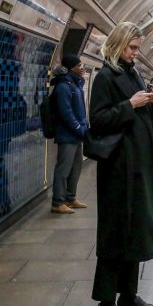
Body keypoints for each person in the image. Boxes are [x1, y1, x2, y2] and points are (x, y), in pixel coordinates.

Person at [89, 22, 153, 306]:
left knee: (134, 231)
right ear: (118, 44)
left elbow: (142, 113)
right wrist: (130, 105)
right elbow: (97, 120)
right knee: (115, 232)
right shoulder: (105, 77)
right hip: (119, 168)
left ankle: (128, 295)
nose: (136, 53)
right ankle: (107, 299)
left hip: (139, 166)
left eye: (138, 48)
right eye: (132, 48)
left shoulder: (133, 73)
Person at [50, 54, 88, 214]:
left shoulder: (75, 85)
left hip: (77, 134)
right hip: (67, 135)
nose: (82, 68)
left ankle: (70, 198)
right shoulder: (63, 86)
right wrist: (79, 127)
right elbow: (65, 112)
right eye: (79, 66)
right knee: (63, 169)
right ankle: (58, 202)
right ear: (71, 68)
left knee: (76, 167)